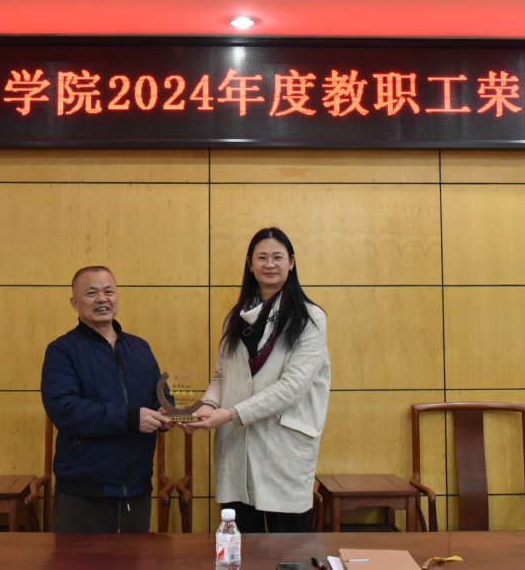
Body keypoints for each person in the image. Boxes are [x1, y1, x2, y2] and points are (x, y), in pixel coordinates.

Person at [183, 228, 330, 533]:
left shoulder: (310, 318)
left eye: (278, 257)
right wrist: (208, 405)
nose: (269, 264)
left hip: (283, 447)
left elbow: (292, 388)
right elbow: (222, 375)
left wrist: (229, 414)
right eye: (261, 257)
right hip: (236, 448)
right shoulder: (235, 317)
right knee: (240, 546)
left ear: (291, 262)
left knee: (288, 549)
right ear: (250, 264)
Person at [41, 265, 172, 533]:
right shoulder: (62, 351)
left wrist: (168, 414)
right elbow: (65, 410)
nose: (102, 299)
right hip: (83, 490)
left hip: (136, 487)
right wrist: (132, 418)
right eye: (92, 293)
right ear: (74, 303)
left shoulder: (140, 347)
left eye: (108, 292)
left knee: (135, 557)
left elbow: (160, 395)